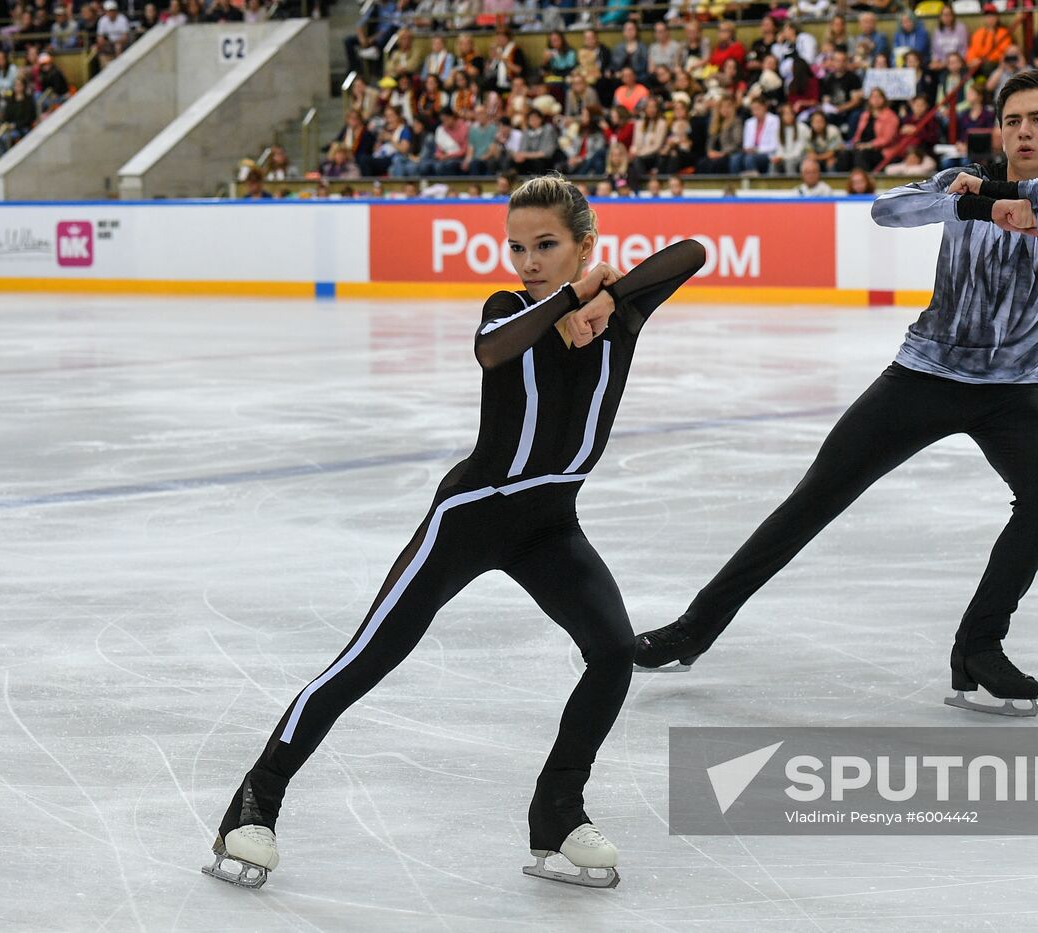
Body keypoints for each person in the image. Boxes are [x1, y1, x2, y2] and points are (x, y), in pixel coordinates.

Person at [206, 175, 706, 891]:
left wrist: (605, 293)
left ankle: (558, 812)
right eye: (517, 247)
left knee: (612, 652)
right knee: (369, 657)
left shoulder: (618, 316)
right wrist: (567, 299)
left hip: (549, 523)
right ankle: (254, 802)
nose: (528, 260)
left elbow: (690, 253)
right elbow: (494, 351)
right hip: (468, 517)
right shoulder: (509, 311)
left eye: (547, 246)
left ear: (582, 246)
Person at [634, 71, 1038, 720]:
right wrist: (973, 201)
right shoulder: (960, 182)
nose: (1023, 131)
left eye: (1037, 119)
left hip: (1014, 390)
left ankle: (979, 647)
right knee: (816, 494)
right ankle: (695, 627)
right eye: (1011, 121)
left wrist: (1003, 192)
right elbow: (886, 208)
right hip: (922, 376)